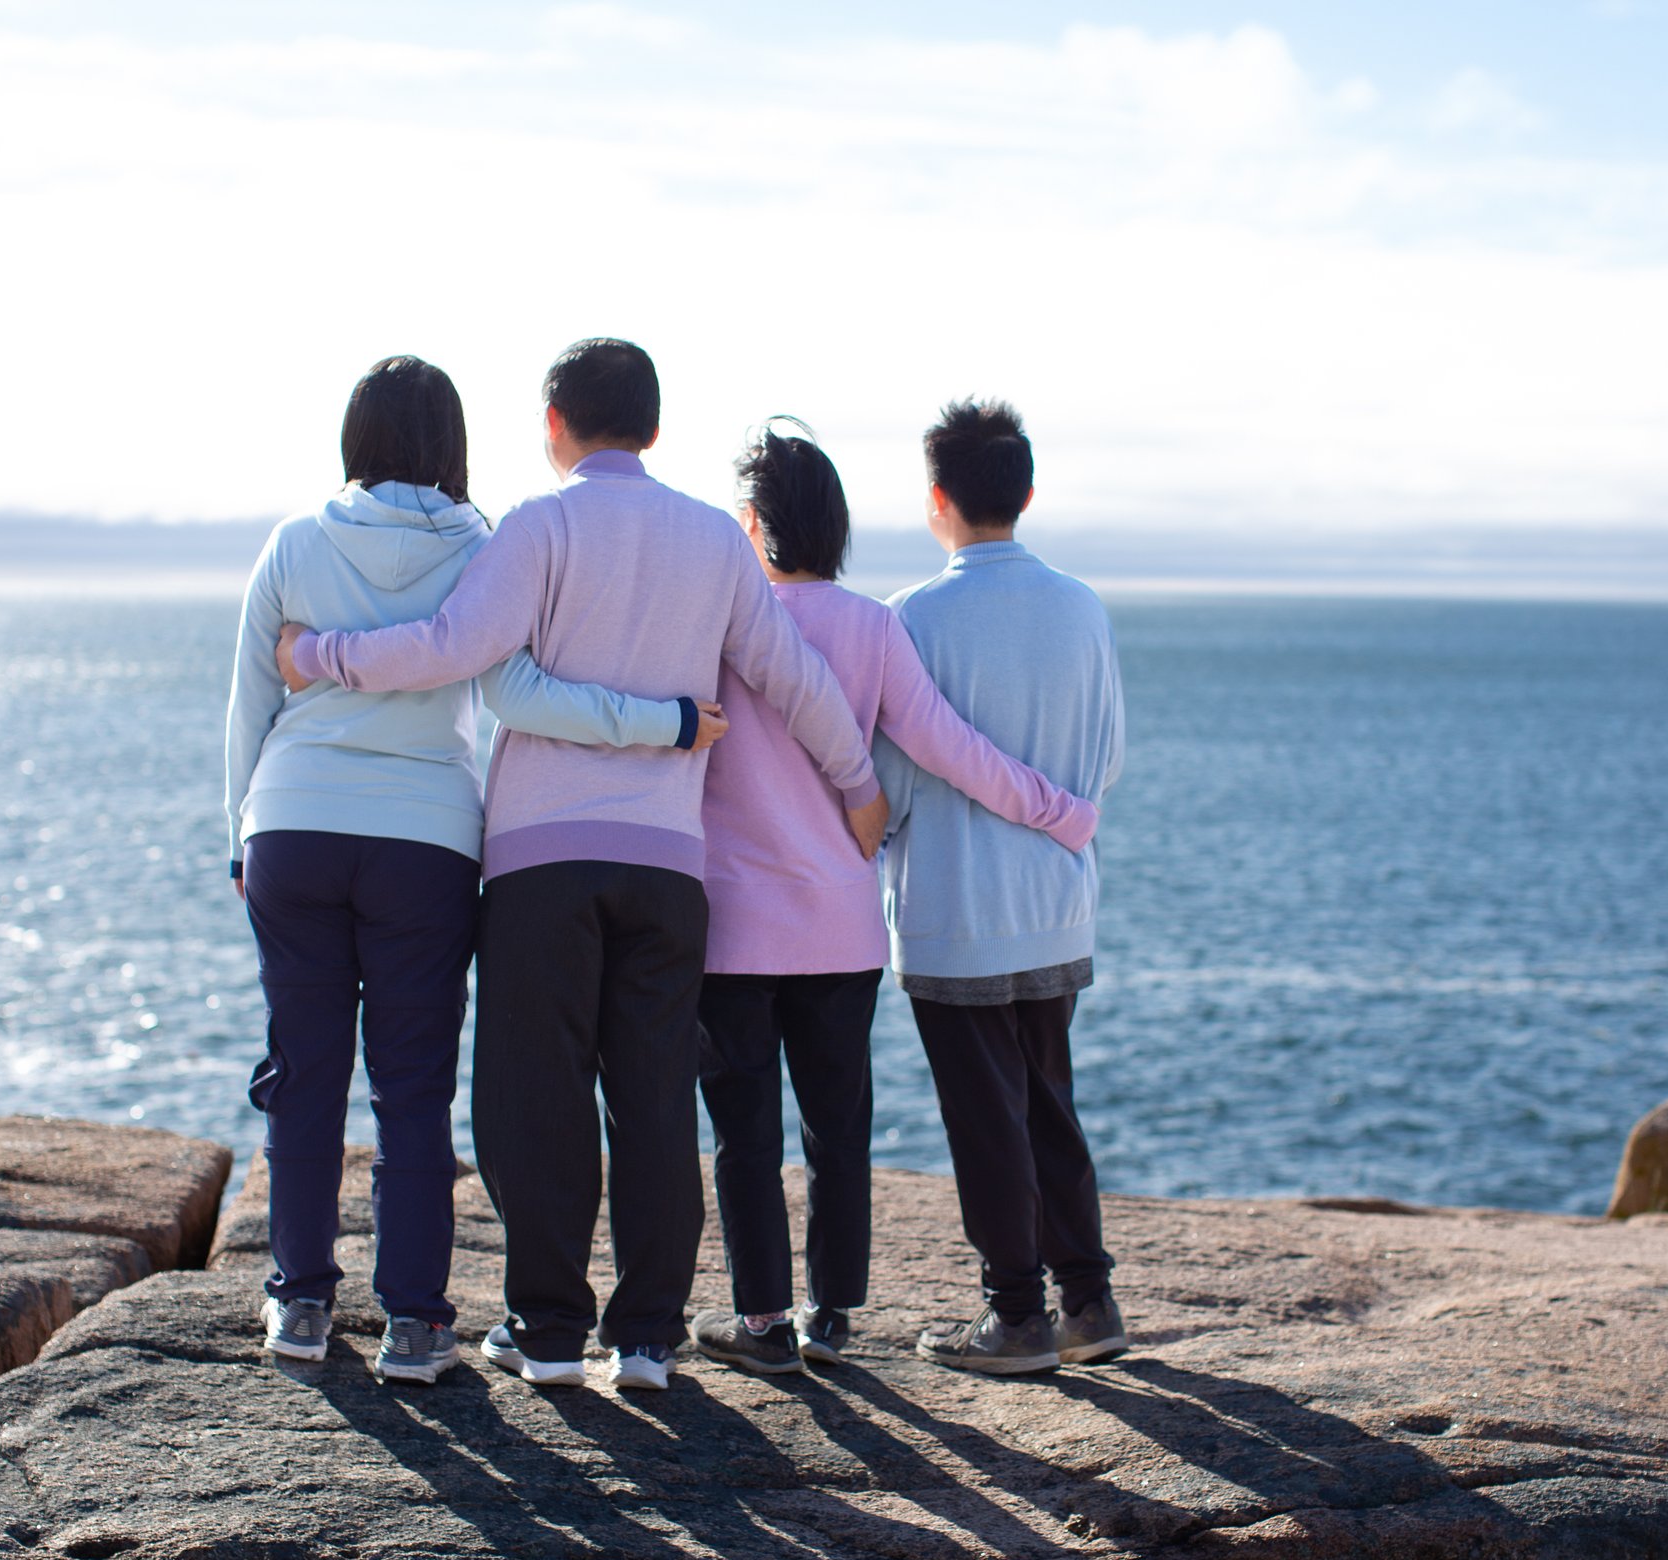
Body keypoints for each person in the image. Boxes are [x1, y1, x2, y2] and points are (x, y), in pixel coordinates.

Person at [278, 339, 883, 1393]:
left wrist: (317, 657)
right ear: (651, 427)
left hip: (537, 861)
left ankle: (548, 1328)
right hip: (664, 864)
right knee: (652, 1096)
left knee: (531, 1096)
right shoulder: (711, 539)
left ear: (554, 421)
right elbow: (792, 674)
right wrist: (858, 785)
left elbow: (451, 645)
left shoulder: (537, 526)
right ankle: (646, 1335)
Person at [225, 354, 723, 1386]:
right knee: (413, 1091)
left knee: (305, 1075)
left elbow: (249, 706)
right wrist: (666, 723)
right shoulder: (489, 548)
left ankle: (302, 1306)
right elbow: (511, 689)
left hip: (296, 820)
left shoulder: (294, 542)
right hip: (428, 839)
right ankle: (415, 1321)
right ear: (455, 445)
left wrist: (243, 833)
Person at [684, 421, 1098, 1377]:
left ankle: (761, 1325)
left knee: (744, 1134)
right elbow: (949, 748)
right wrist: (1059, 809)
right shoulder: (875, 626)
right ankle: (832, 1316)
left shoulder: (713, 628)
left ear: (751, 526)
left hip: (734, 927)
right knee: (839, 1128)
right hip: (841, 927)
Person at [877, 399, 1129, 1376]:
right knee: (1048, 1100)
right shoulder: (1082, 605)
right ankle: (1089, 1298)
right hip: (1057, 899)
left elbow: (892, 778)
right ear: (1026, 491)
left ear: (937, 498)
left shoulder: (911, 617)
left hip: (955, 903)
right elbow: (1104, 761)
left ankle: (1015, 1314)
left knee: (984, 1115)